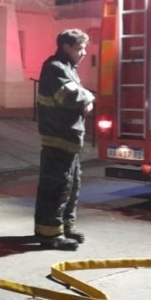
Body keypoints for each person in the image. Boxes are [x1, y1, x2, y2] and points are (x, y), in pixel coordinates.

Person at [34, 28, 95, 250]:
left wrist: (85, 99)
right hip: (58, 137)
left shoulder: (67, 67)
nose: (84, 53)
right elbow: (72, 97)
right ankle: (49, 234)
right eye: (80, 48)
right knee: (56, 187)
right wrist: (89, 96)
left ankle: (65, 227)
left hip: (69, 137)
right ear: (66, 47)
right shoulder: (55, 68)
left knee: (71, 185)